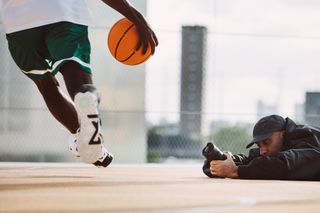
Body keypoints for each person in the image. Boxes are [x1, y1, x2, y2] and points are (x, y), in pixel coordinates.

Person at [0, 0, 158, 167]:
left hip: (19, 23)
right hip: (63, 12)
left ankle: (86, 139)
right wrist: (137, 17)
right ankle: (85, 101)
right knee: (77, 79)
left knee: (47, 86)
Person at [208, 114, 320, 180]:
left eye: (267, 142)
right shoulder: (281, 144)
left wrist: (235, 171)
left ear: (283, 133)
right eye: (259, 145)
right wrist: (225, 161)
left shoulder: (306, 138)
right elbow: (254, 158)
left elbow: (281, 164)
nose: (262, 151)